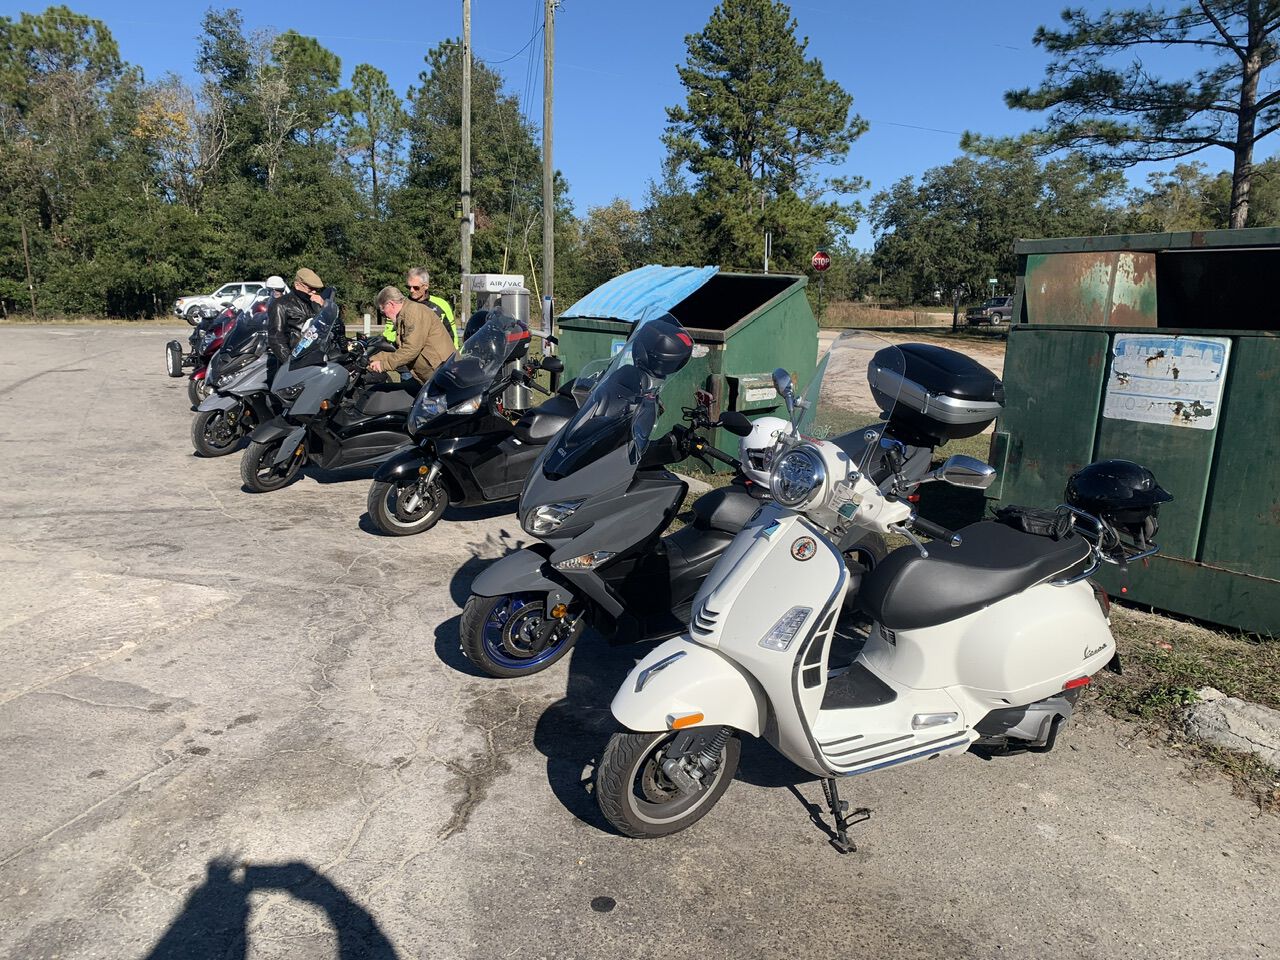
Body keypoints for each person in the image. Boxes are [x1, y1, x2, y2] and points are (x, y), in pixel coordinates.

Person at [370, 285, 455, 385]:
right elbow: (400, 350)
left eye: (383, 312)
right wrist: (372, 359)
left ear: (390, 304)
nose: (385, 316)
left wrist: (383, 365)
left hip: (444, 376)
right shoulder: (405, 315)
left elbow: (411, 349)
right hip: (436, 375)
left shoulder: (413, 313)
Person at [267, 268, 325, 367]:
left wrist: (324, 306)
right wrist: (290, 363)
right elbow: (276, 338)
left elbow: (328, 325)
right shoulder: (281, 304)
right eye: (310, 288)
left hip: (317, 358)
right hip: (296, 362)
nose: (314, 292)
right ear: (297, 285)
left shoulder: (315, 302)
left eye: (316, 289)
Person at [406, 266, 460, 351]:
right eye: (409, 287)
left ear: (426, 286)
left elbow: (451, 333)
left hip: (437, 355)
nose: (411, 290)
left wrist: (455, 354)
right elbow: (391, 332)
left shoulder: (442, 305)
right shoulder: (402, 304)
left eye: (416, 287)